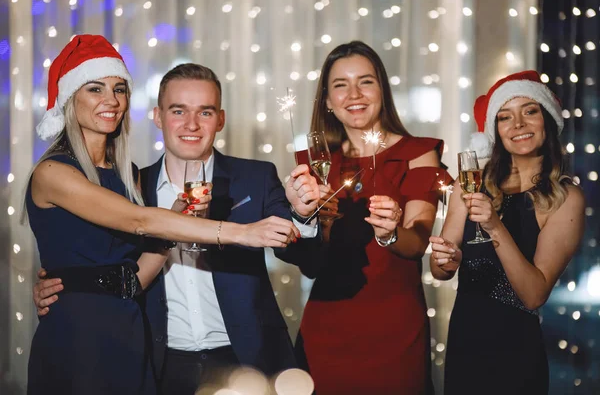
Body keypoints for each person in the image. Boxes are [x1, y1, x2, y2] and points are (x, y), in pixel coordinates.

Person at [26, 36, 311, 395]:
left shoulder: (126, 177)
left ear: (219, 119)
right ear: (158, 117)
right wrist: (242, 232)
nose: (110, 100)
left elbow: (130, 275)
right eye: (95, 89)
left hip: (191, 351)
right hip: (128, 352)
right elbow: (139, 221)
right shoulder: (82, 176)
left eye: (119, 89)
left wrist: (79, 280)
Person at [295, 40, 449, 394]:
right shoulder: (315, 163)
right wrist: (314, 226)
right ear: (328, 101)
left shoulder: (417, 154)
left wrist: (391, 233)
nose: (354, 94)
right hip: (325, 327)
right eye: (340, 85)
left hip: (395, 332)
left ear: (382, 89)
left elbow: (417, 244)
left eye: (365, 81)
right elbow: (309, 264)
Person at [430, 70, 585, 394]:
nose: (518, 125)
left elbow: (533, 295)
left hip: (515, 351)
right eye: (505, 117)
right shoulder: (470, 182)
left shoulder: (565, 198)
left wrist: (494, 225)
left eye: (529, 111)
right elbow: (440, 270)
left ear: (548, 119)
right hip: (465, 342)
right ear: (495, 130)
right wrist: (446, 258)